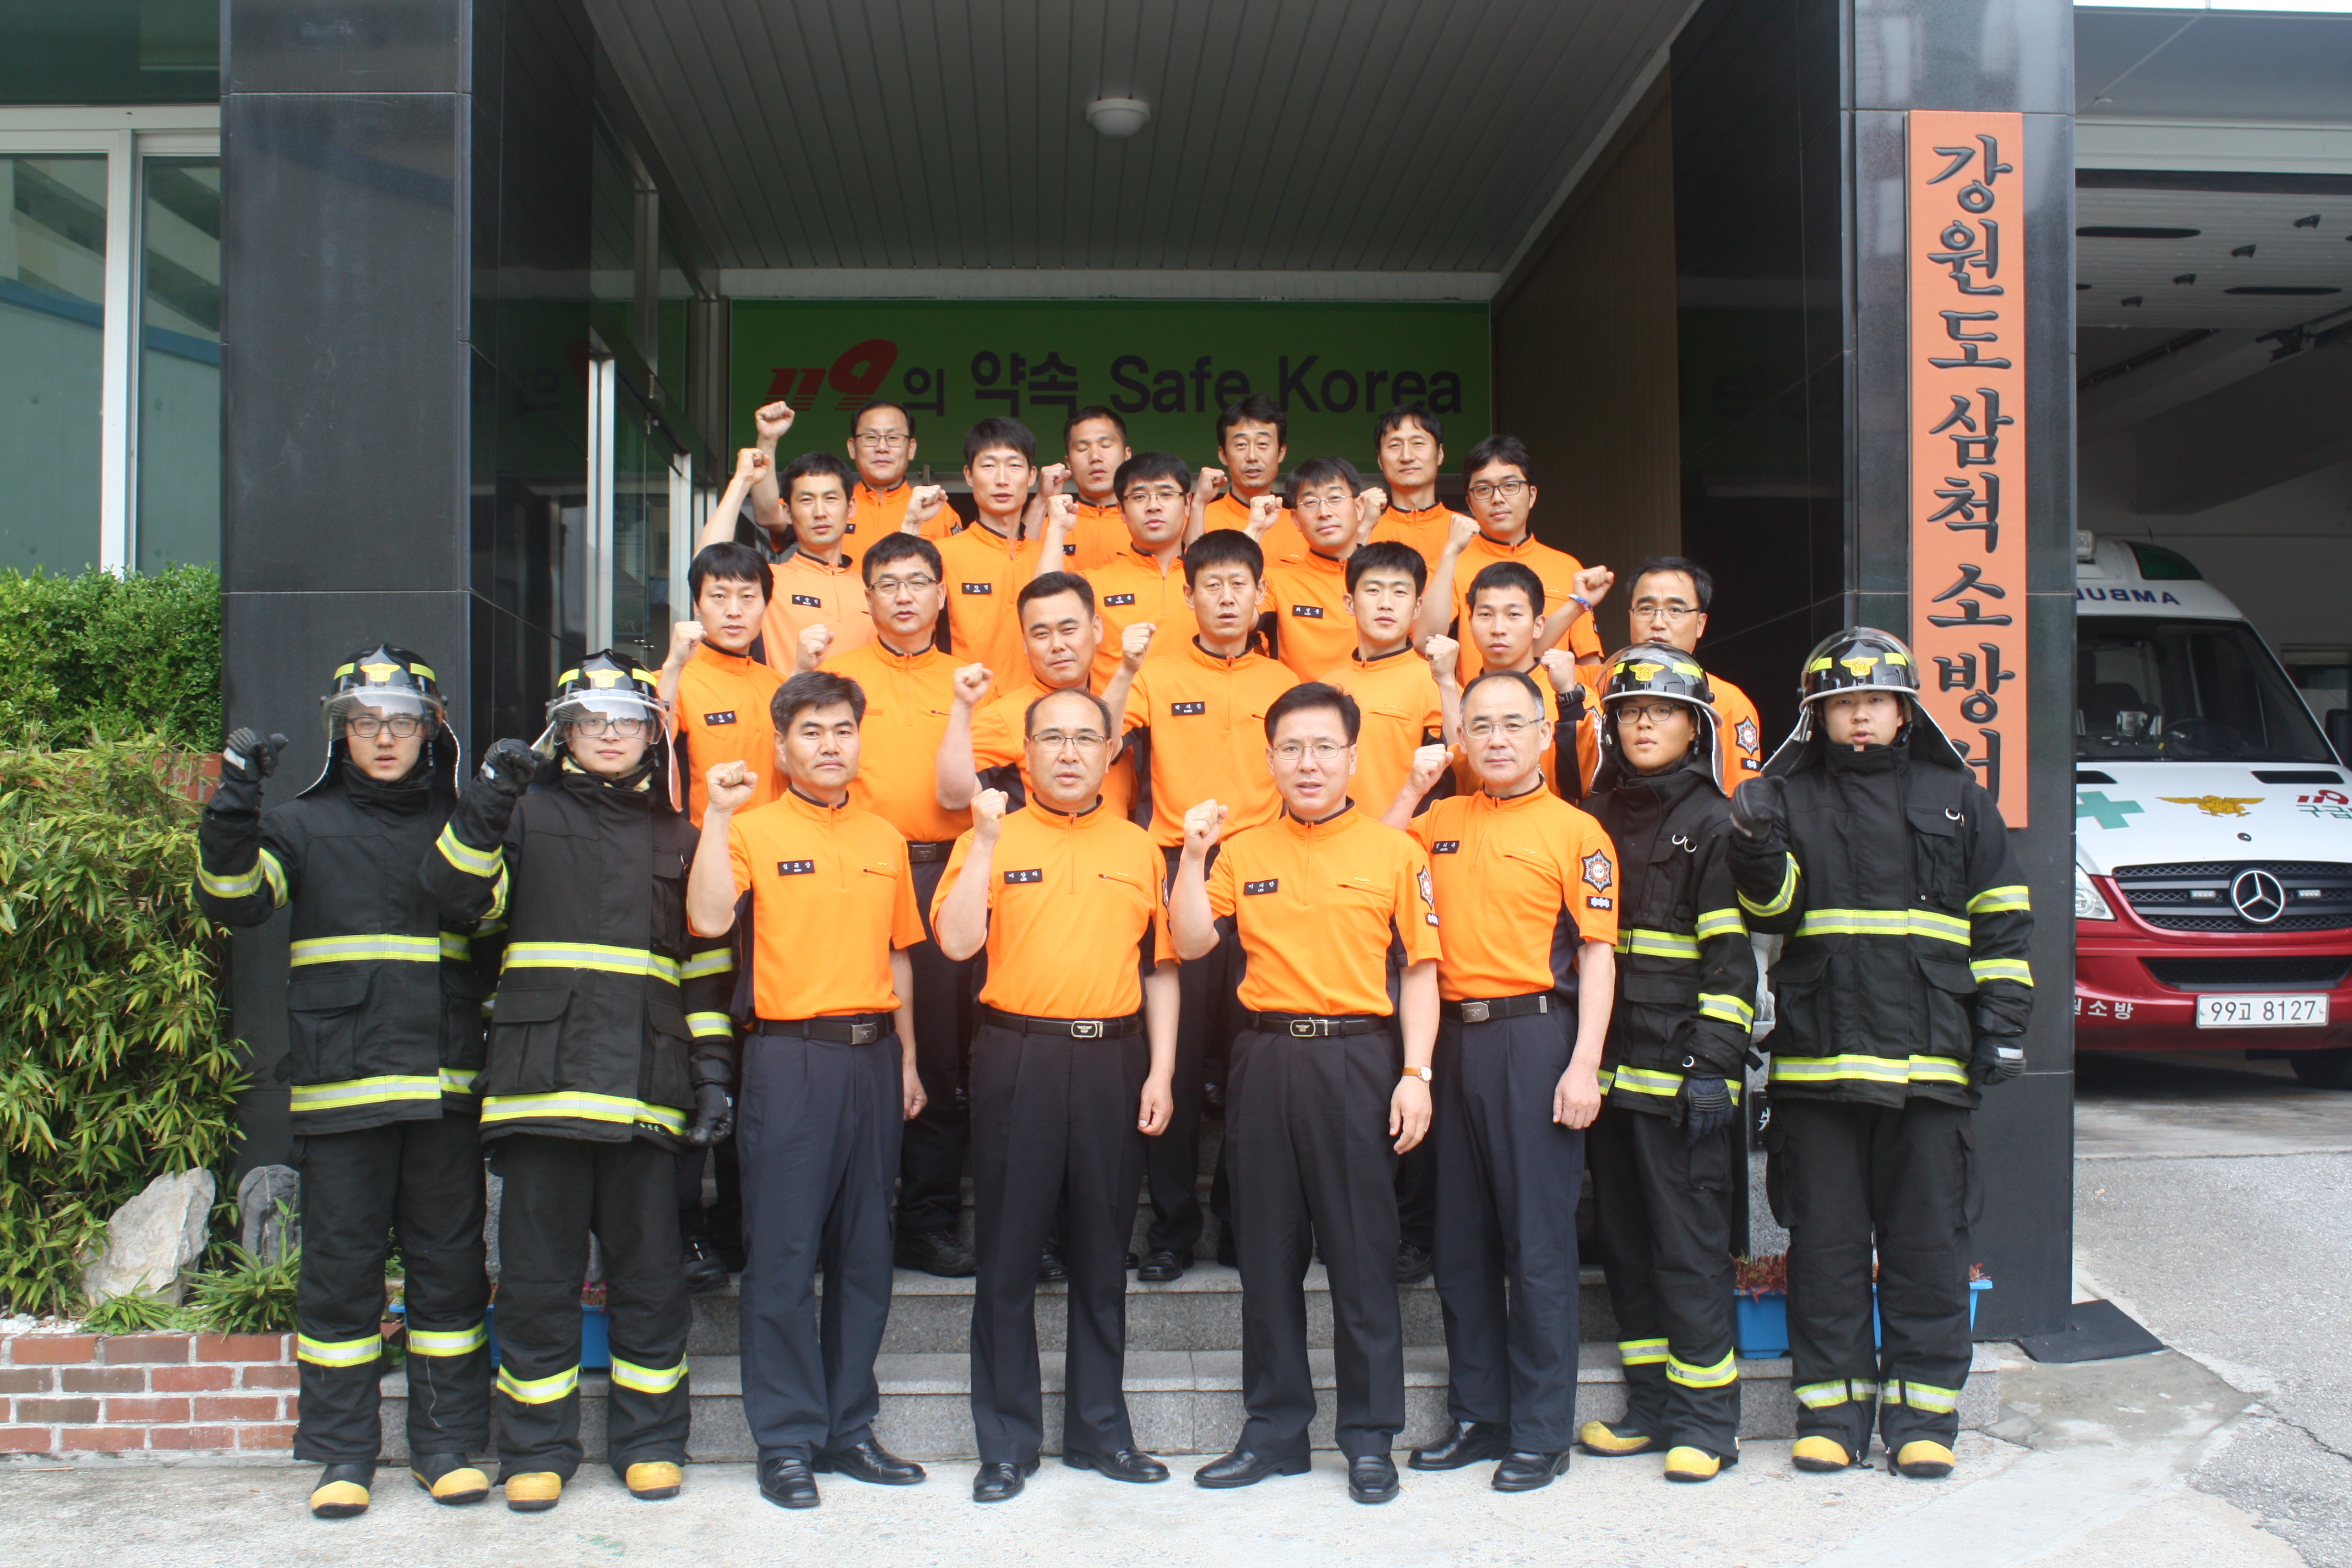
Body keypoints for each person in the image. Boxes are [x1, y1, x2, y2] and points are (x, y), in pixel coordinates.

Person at [421, 654, 736, 1513]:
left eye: (626, 720)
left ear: (651, 736)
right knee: (536, 1285)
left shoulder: (680, 837)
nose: (609, 733)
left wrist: (712, 1072)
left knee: (651, 1281)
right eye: (591, 720)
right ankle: (535, 1451)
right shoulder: (522, 815)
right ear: (563, 733)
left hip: (646, 1091)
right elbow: (454, 897)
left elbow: (705, 972)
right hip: (541, 1090)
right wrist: (487, 800)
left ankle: (651, 1444)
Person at [1726, 629, 2033, 1481]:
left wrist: (2004, 1025)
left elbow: (2003, 922)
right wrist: (1755, 846)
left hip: (1931, 1068)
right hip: (1818, 1070)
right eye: (1842, 705)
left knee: (1928, 1248)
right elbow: (1772, 916)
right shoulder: (1786, 798)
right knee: (1825, 1253)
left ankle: (1924, 1420)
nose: (1859, 717)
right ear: (1816, 717)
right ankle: (1830, 1415)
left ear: (1904, 712)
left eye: (1875, 701)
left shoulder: (1958, 799)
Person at [197, 650, 492, 1520]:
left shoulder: (463, 825)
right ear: (342, 732)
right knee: (338, 1278)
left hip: (441, 1090)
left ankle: (445, 1447)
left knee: (449, 1277)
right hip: (342, 1093)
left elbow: (493, 915)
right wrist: (234, 802)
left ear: (431, 731)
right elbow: (234, 899)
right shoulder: (298, 825)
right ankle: (342, 1454)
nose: (385, 737)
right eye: (367, 722)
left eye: (402, 721)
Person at [1171, 683, 1441, 1506]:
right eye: (1291, 748)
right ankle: (1275, 1431)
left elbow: (1422, 973)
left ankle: (1369, 1437)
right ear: (1271, 760)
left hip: (1359, 1061)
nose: (1309, 763)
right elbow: (1190, 941)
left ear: (1353, 758)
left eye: (1325, 747)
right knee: (1267, 1257)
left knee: (1362, 1257)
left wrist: (1417, 1074)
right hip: (1265, 1061)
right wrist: (1191, 856)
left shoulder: (1396, 853)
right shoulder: (1241, 852)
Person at [684, 669, 932, 1510]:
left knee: (864, 1254)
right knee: (785, 1253)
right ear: (783, 747)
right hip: (789, 1061)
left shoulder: (885, 837)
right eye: (812, 732)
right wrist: (718, 815)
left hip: (873, 1059)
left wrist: (907, 1060)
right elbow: (708, 919)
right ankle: (786, 1440)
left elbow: (899, 956)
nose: (830, 746)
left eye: (843, 730)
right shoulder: (751, 829)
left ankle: (849, 1429)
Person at [932, 687, 1181, 1502]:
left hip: (1115, 1060)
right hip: (1019, 1056)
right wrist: (983, 843)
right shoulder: (989, 836)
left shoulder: (1139, 847)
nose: (1069, 753)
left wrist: (1161, 1070)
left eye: (1085, 739)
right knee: (1007, 1255)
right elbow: (957, 942)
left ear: (1112, 753)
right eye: (1052, 739)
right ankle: (1006, 1444)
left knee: (1102, 1254)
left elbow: (1161, 970)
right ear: (1027, 752)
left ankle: (1100, 1431)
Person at [1382, 669, 1618, 1493]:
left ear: (1544, 733)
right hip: (1448, 1041)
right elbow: (1366, 860)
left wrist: (1584, 1062)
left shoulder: (1577, 831)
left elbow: (1597, 954)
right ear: (1462, 738)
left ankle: (1541, 1432)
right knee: (1460, 1244)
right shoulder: (1439, 820)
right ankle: (1479, 1417)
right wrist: (1413, 789)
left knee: (1537, 1245)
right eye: (1479, 725)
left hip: (1535, 1039)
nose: (1496, 739)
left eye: (1514, 723)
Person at [1577, 646, 1759, 1483]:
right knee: (1627, 1249)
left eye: (1662, 711)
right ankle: (1651, 1410)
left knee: (1689, 1253)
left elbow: (1731, 962)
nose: (1643, 723)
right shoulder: (1595, 815)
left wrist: (1713, 1065)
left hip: (1683, 1082)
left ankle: (1707, 1424)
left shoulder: (1718, 823)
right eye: (1630, 711)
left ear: (1696, 728)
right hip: (1609, 1083)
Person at [1118, 530, 1300, 1281]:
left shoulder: (1284, 681)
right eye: (1212, 585)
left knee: (1252, 1056)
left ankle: (1238, 1221)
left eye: (1239, 585)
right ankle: (1171, 1228)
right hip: (1179, 871)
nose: (1226, 599)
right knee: (1179, 1056)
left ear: (1261, 596)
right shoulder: (1155, 675)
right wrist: (1124, 666)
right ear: (1187, 595)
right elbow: (1104, 743)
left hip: (1264, 873)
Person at [813, 532, 981, 1277]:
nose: (905, 596)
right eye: (889, 583)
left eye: (919, 582)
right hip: (857, 871)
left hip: (951, 871)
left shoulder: (971, 679)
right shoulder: (839, 681)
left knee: (939, 1051)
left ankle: (927, 1220)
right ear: (868, 598)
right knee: (858, 1043)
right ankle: (845, 1220)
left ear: (943, 594)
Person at [656, 542, 786, 1290]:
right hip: (692, 891)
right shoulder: (674, 680)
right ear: (695, 604)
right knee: (694, 1057)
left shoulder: (780, 688)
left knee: (753, 1057)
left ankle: (744, 1225)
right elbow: (647, 758)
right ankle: (685, 1227)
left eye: (747, 597)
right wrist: (672, 669)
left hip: (769, 900)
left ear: (767, 605)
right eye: (718, 597)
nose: (733, 611)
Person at [938, 571, 1144, 829]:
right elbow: (953, 798)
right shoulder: (1002, 717)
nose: (1057, 645)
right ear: (1025, 644)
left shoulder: (1125, 699)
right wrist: (962, 708)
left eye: (1069, 630)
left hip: (1117, 850)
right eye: (1041, 634)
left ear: (1096, 629)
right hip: (1037, 851)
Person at [1418, 436, 1607, 684]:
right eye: (1484, 489)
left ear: (1532, 495)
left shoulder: (1568, 568)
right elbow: (1424, 644)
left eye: (1509, 486)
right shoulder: (1449, 565)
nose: (1497, 498)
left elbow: (1588, 662)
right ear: (1470, 504)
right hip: (1477, 703)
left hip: (1551, 704)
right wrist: (1450, 552)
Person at [1320, 540, 1460, 827]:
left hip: (1407, 843)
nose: (1386, 603)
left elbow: (1464, 769)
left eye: (1400, 592)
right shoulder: (1326, 687)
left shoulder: (1435, 683)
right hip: (1327, 843)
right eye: (1373, 590)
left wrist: (1447, 683)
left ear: (1418, 607)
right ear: (1349, 603)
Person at [698, 451, 877, 669]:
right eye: (806, 500)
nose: (820, 512)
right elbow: (707, 566)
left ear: (851, 507)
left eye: (830, 499)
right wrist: (742, 481)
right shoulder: (768, 581)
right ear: (787, 512)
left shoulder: (875, 590)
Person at [743, 399, 952, 568]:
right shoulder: (832, 500)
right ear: (852, 448)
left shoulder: (938, 511)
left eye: (893, 437)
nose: (882, 447)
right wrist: (767, 441)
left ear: (911, 448)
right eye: (870, 437)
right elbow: (767, 515)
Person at [1622, 556, 1767, 787]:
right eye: (1646, 608)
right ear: (1631, 617)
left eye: (1675, 610)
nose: (1658, 622)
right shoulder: (1601, 684)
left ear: (1700, 624)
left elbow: (1739, 796)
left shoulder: (1729, 702)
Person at [1453, 560, 1593, 799]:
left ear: (1538, 626)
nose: (1498, 628)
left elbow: (1592, 783)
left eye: (1513, 615)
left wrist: (1569, 697)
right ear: (1470, 624)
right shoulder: (1459, 700)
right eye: (1486, 615)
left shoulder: (1575, 696)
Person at [1063, 451, 1197, 689]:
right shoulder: (1091, 584)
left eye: (1166, 494)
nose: (1153, 506)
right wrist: (1056, 528)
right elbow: (1045, 613)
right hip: (1116, 713)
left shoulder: (1213, 583)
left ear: (1187, 504)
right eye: (1139, 497)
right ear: (1122, 511)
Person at [937, 416, 1052, 680]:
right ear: (969, 475)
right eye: (989, 465)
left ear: (1032, 476)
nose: (1002, 479)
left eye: (1014, 465)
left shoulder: (1052, 560)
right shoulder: (942, 556)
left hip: (1039, 704)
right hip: (967, 701)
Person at [1261, 456, 1386, 681]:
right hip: (1300, 703)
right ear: (1296, 520)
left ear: (1359, 507)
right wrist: (1254, 530)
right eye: (1310, 502)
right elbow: (1235, 621)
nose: (1324, 512)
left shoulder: (1389, 581)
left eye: (1335, 498)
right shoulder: (1274, 583)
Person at [1195, 393, 1306, 564]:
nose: (1252, 456)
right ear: (1223, 455)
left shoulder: (1303, 525)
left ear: (1281, 452)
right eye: (1241, 445)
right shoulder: (1200, 519)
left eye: (1262, 444)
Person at [1366, 404, 1463, 571]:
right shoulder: (1365, 531)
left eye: (1418, 443)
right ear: (1380, 460)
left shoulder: (1468, 531)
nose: (1407, 456)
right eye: (1394, 445)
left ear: (1440, 454)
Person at [1043, 405, 1134, 568]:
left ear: (1127, 455)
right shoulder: (1050, 527)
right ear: (1068, 462)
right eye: (1082, 449)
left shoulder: (1150, 523)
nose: (1095, 457)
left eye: (1106, 445)